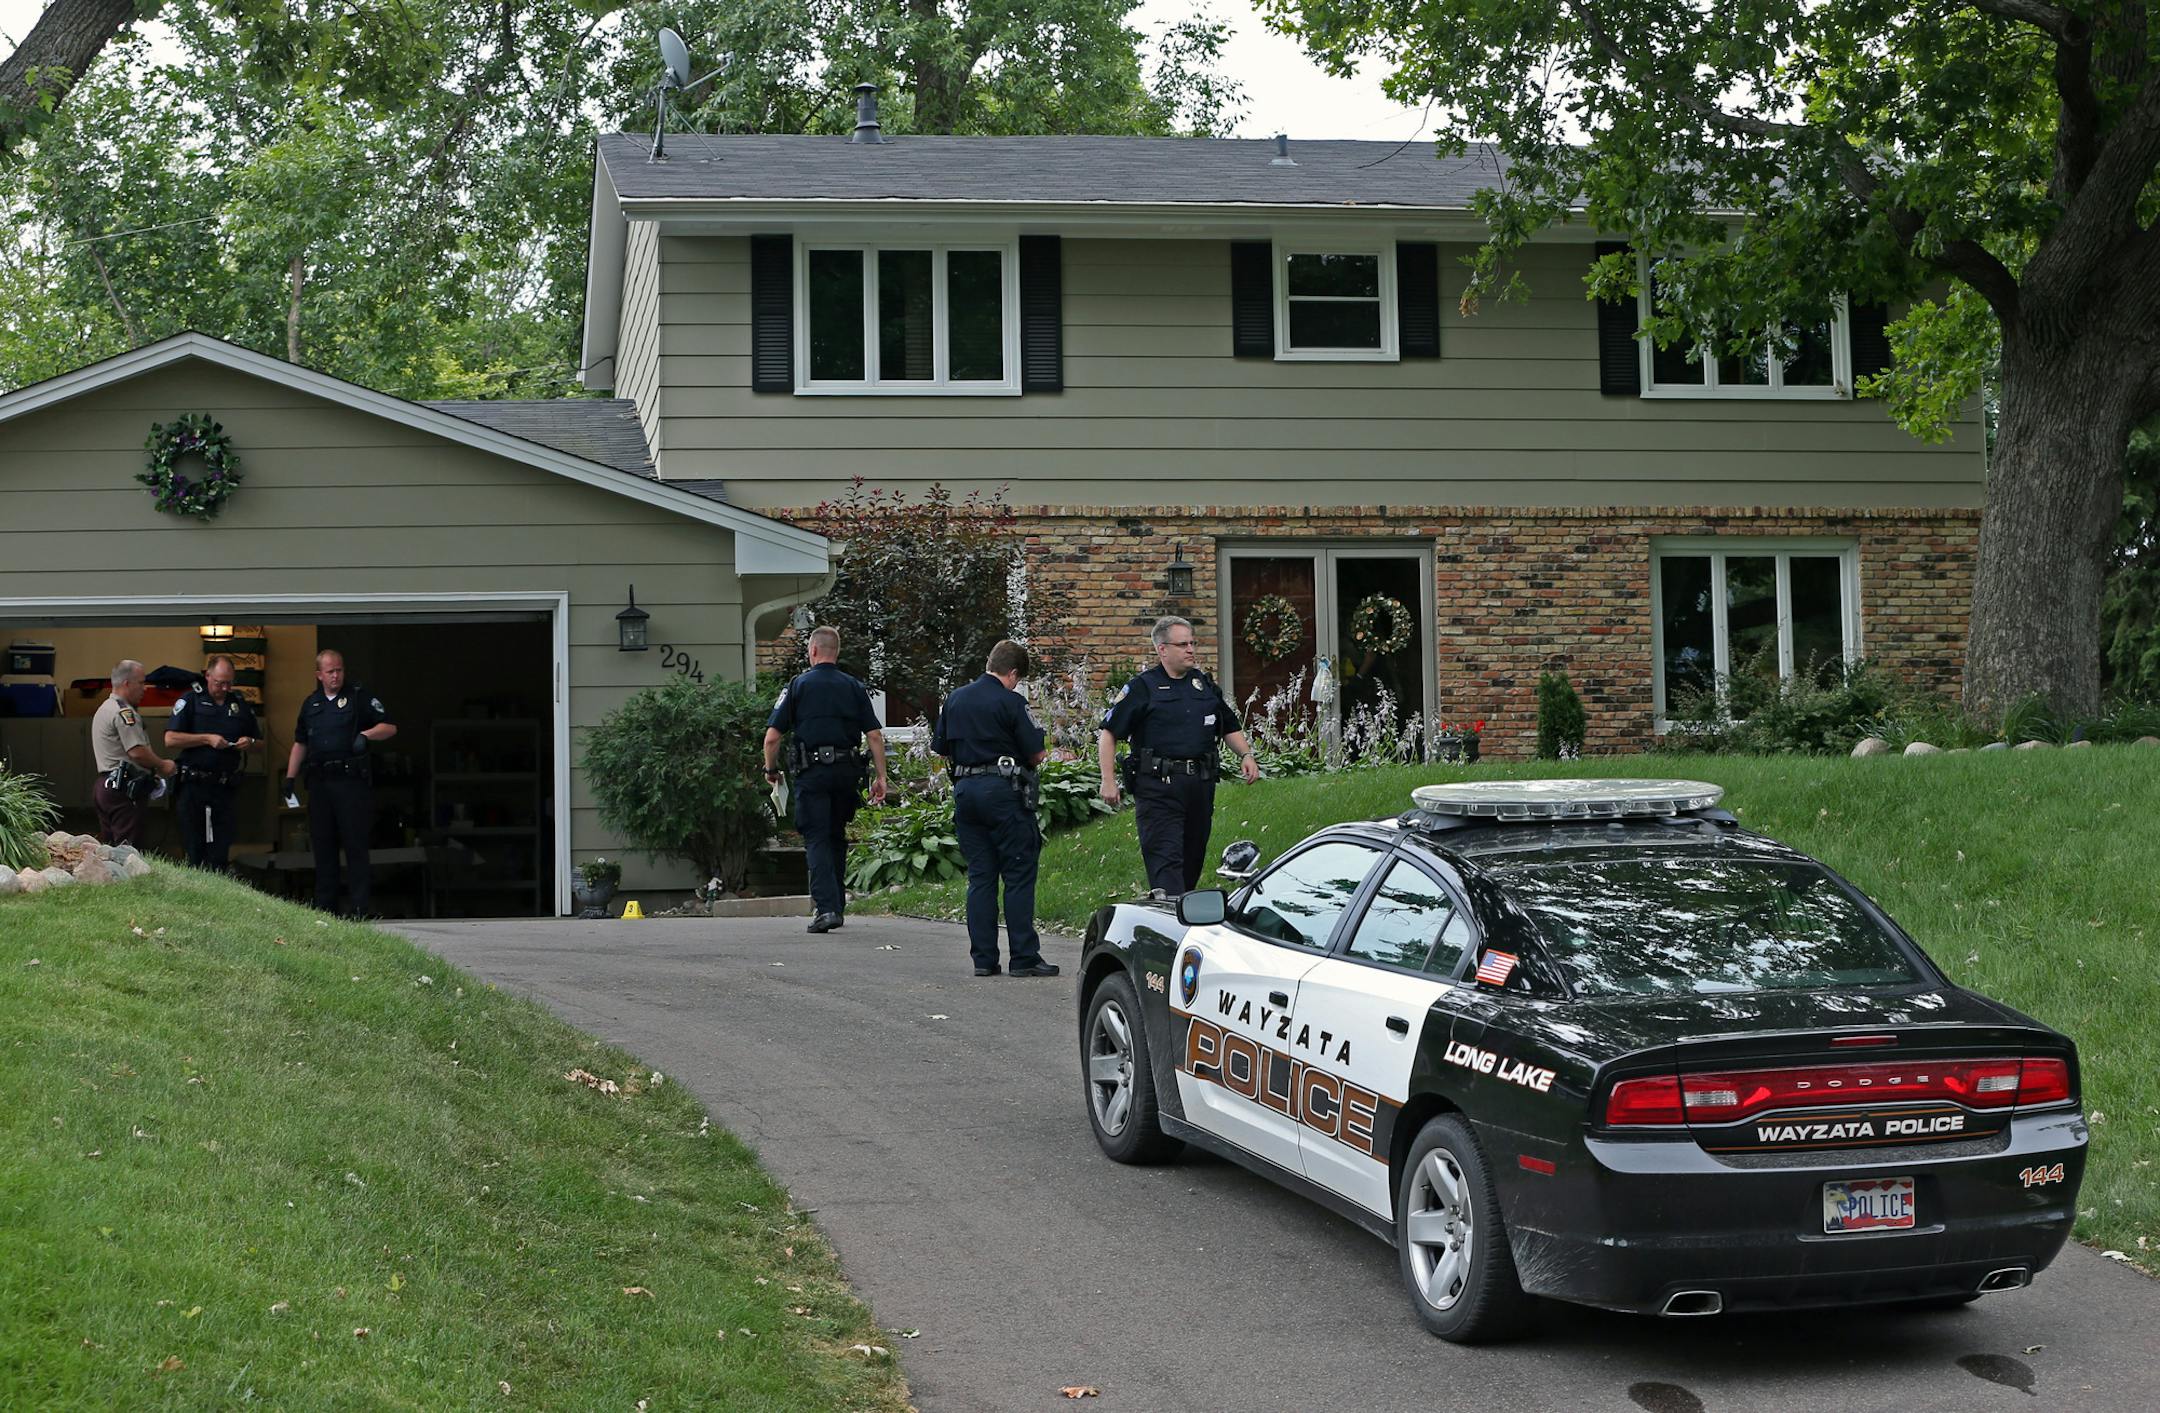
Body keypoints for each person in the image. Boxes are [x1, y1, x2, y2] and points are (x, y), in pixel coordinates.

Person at [1098, 615, 1262, 894]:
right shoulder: (1142, 687)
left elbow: (1229, 725)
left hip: (1199, 786)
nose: (1191, 649)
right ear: (1163, 649)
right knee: (1166, 863)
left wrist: (1246, 755)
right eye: (1183, 644)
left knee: (1192, 861)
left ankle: (1182, 918)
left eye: (1192, 643)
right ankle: (1170, 918)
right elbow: (1108, 732)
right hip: (1159, 788)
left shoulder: (1203, 685)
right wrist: (1108, 779)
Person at [934, 640, 1057, 979]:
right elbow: (1036, 755)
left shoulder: (954, 699)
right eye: (1018, 678)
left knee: (981, 876)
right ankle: (1024, 957)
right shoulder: (1012, 702)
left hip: (965, 792)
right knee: (1017, 873)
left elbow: (941, 748)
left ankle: (984, 959)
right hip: (1003, 792)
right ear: (1013, 673)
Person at [764, 625, 888, 934]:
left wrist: (771, 770)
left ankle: (827, 908)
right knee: (835, 835)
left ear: (814, 651)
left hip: (813, 772)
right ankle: (837, 904)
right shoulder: (854, 687)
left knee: (816, 836)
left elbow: (771, 738)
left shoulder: (798, 686)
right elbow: (874, 735)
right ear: (836, 651)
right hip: (847, 773)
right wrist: (881, 776)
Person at [285, 649, 396, 916]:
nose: (336, 675)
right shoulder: (311, 705)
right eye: (330, 671)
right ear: (319, 675)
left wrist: (366, 735)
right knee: (323, 846)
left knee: (355, 844)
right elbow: (300, 743)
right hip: (321, 783)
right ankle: (327, 908)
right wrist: (290, 778)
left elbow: (390, 727)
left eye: (339, 670)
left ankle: (359, 907)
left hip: (350, 783)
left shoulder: (358, 696)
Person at [163, 654, 260, 872]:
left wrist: (250, 742)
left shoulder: (239, 704)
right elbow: (170, 739)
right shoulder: (191, 700)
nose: (224, 687)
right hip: (194, 785)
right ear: (208, 676)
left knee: (220, 851)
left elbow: (260, 743)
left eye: (229, 682)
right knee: (194, 850)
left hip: (224, 788)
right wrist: (206, 738)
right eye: (219, 682)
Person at [90, 659, 175, 848]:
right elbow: (137, 752)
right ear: (126, 683)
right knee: (128, 851)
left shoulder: (104, 708)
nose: (145, 689)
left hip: (106, 786)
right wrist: (163, 765)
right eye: (141, 683)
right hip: (123, 790)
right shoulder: (124, 713)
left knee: (109, 849)